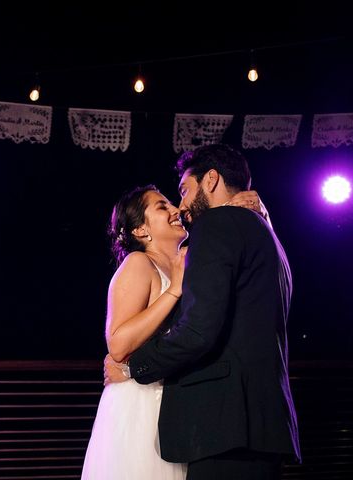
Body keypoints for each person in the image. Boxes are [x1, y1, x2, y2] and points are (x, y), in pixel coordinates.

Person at [105, 144, 300, 479]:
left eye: (182, 192)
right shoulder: (268, 236)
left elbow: (198, 330)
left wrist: (133, 368)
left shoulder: (216, 225)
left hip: (225, 425)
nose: (180, 207)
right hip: (258, 424)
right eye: (165, 202)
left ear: (210, 180)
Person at [81, 180, 265, 479]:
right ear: (141, 230)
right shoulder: (138, 263)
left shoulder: (189, 262)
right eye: (162, 206)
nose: (176, 209)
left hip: (178, 403)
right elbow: (117, 344)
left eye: (173, 202)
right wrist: (174, 291)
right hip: (141, 403)